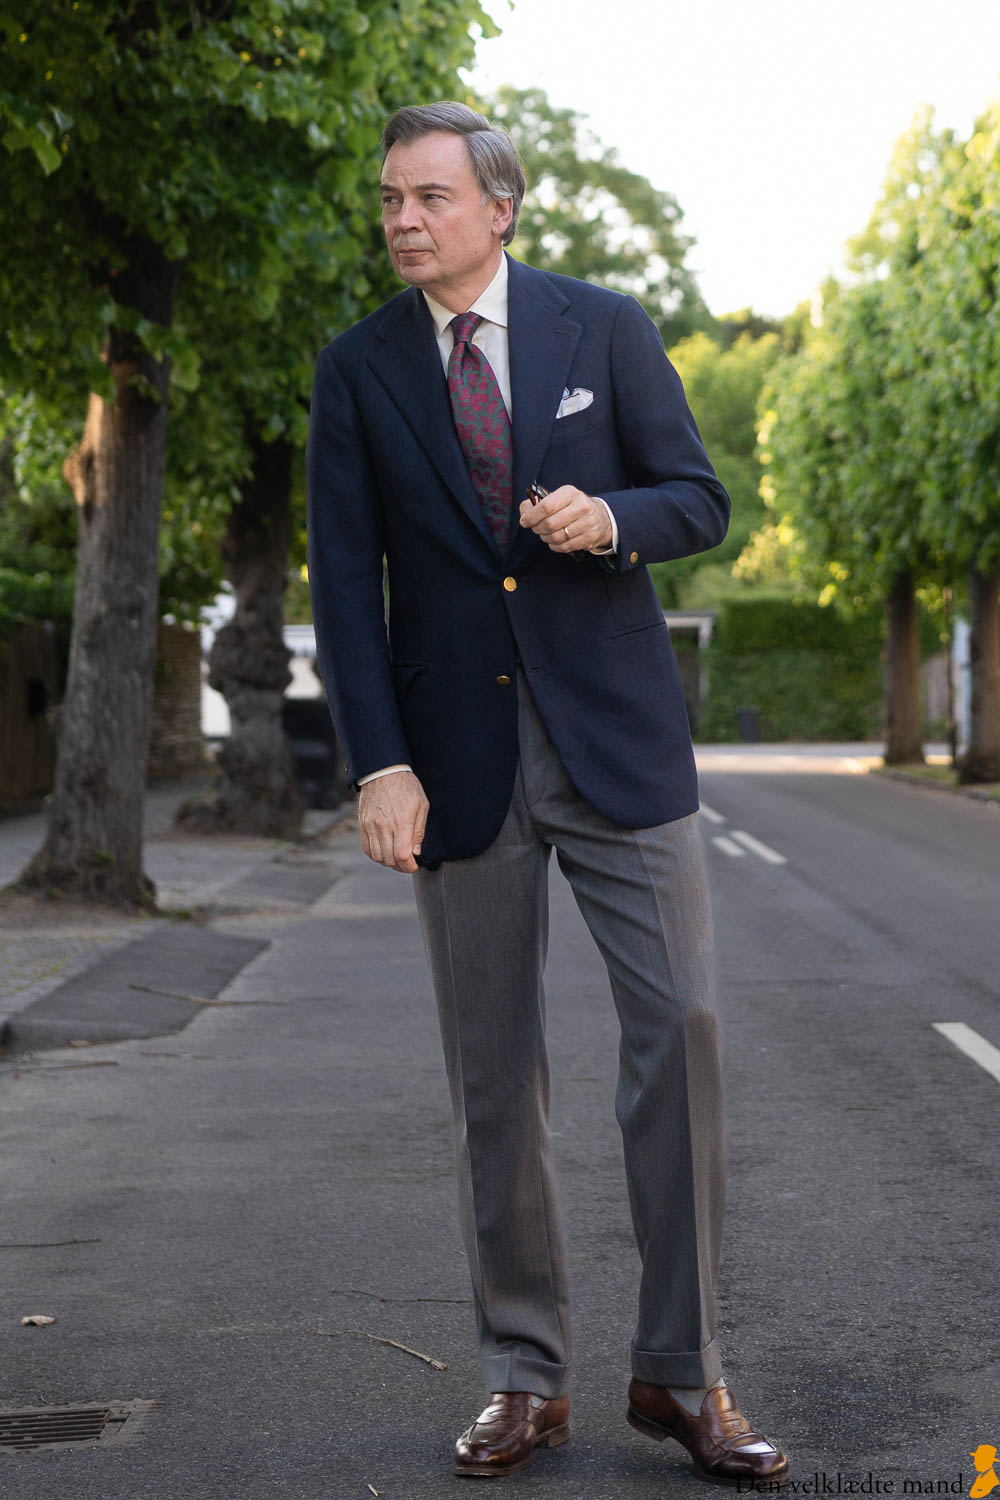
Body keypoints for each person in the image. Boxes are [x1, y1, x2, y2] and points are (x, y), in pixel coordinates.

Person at [306, 100, 788, 1486]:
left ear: (500, 208)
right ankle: (526, 1377)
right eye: (390, 198)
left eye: (430, 197)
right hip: (457, 762)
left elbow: (699, 497)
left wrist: (615, 519)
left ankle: (683, 1374)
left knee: (682, 1029)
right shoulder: (358, 369)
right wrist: (380, 763)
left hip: (618, 747)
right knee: (494, 1077)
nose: (403, 219)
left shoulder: (606, 329)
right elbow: (345, 584)